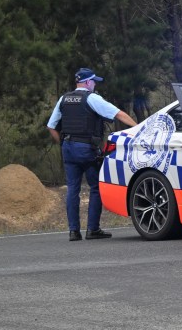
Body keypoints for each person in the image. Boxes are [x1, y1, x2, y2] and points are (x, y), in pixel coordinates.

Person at [46, 67, 137, 241]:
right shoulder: (92, 98)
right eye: (94, 81)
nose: (95, 84)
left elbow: (51, 126)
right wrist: (140, 129)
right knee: (95, 187)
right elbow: (119, 114)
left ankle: (74, 232)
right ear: (87, 82)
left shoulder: (64, 99)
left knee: (73, 189)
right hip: (86, 149)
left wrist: (63, 144)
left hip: (68, 148)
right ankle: (92, 229)